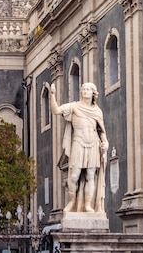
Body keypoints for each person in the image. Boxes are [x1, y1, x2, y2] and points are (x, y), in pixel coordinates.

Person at [45, 82, 108, 213]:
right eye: (83, 89)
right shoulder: (74, 106)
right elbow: (56, 110)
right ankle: (72, 201)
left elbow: (101, 131)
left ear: (93, 93)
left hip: (93, 144)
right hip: (78, 142)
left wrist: (105, 142)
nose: (85, 91)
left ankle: (88, 204)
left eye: (88, 89)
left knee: (91, 175)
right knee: (74, 175)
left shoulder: (97, 111)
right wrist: (52, 95)